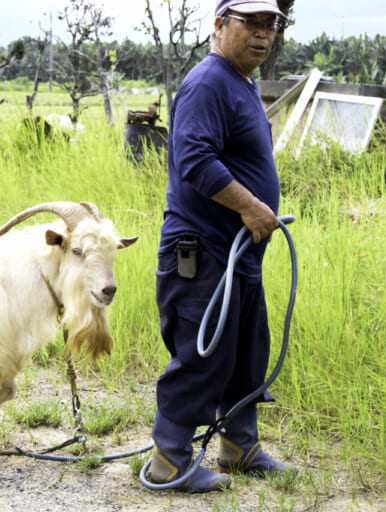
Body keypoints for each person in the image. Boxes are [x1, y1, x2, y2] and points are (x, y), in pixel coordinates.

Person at [145, 0, 296, 493]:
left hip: (238, 254)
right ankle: (169, 459)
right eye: (249, 22)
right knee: (201, 354)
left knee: (245, 351)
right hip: (204, 250)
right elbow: (194, 158)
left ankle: (238, 445)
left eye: (269, 24)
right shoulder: (209, 82)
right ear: (219, 25)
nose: (261, 33)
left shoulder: (241, 84)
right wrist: (251, 207)